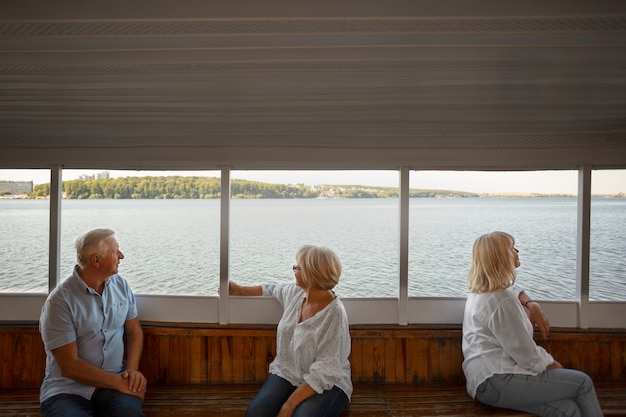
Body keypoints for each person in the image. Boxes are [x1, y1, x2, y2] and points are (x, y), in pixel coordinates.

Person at [462, 231, 603, 417]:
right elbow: (525, 354)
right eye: (511, 248)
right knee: (583, 383)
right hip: (498, 380)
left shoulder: (483, 292)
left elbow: (513, 290)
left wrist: (531, 304)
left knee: (568, 410)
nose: (517, 250)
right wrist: (553, 366)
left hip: (484, 383)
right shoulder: (500, 301)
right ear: (501, 257)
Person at [229, 244, 352, 417]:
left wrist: (288, 405)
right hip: (289, 373)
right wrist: (239, 290)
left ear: (311, 273)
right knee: (256, 412)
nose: (293, 269)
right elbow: (270, 288)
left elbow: (324, 371)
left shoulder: (334, 314)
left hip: (328, 382)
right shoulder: (295, 293)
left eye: (297, 267)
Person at [39, 228, 147, 417]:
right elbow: (69, 366)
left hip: (115, 382)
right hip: (67, 390)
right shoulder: (60, 301)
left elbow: (134, 331)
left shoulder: (121, 286)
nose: (121, 256)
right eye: (115, 252)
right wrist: (118, 383)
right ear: (96, 260)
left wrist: (131, 372)